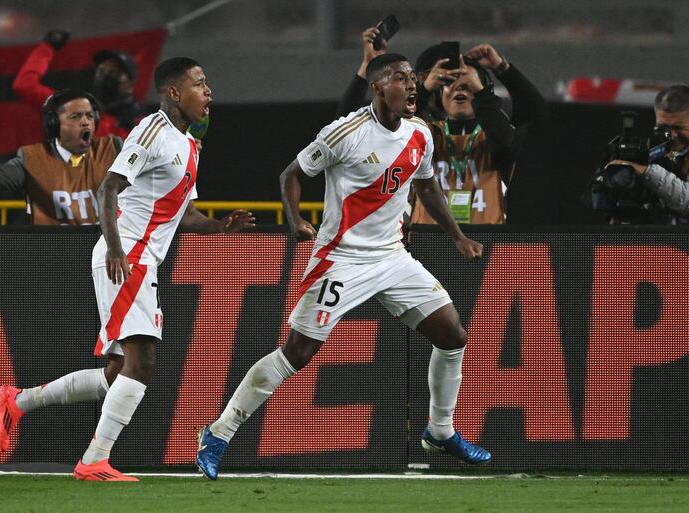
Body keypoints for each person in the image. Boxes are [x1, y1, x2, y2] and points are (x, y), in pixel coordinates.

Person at [196, 54, 491, 481]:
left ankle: (439, 431)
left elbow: (425, 186)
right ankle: (219, 433)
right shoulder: (345, 132)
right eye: (400, 79)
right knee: (296, 353)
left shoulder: (420, 134)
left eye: (413, 79)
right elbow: (291, 174)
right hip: (340, 259)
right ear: (377, 87)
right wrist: (296, 219)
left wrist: (457, 236)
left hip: (392, 258)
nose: (411, 86)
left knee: (452, 334)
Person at [0, 57, 255, 481]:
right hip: (127, 255)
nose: (209, 92)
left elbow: (182, 214)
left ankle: (18, 402)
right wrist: (117, 249)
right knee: (143, 359)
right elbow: (108, 188)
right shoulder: (153, 130)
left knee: (117, 372)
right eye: (200, 84)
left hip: (138, 257)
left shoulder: (188, 145)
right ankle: (94, 459)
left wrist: (218, 225)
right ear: (173, 92)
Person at [339, 27, 545, 224]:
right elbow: (352, 125)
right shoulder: (422, 133)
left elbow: (536, 112)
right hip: (426, 245)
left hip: (484, 245)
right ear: (439, 94)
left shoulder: (497, 136)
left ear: (483, 91)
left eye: (468, 80)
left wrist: (500, 68)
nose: (460, 85)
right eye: (450, 80)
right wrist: (372, 65)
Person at [0, 89, 120, 225]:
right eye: (75, 116)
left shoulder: (113, 149)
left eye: (89, 116)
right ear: (53, 124)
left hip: (110, 256)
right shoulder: (33, 158)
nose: (85, 121)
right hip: (57, 256)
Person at [13, 30, 145, 138]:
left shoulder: (144, 126)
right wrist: (47, 48)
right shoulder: (75, 107)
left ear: (130, 86)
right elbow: (25, 85)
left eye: (114, 72)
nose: (105, 76)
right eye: (101, 70)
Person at [607, 84, 689, 223]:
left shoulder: (648, 166)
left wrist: (646, 171)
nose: (671, 136)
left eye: (678, 127)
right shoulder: (654, 154)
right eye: (663, 128)